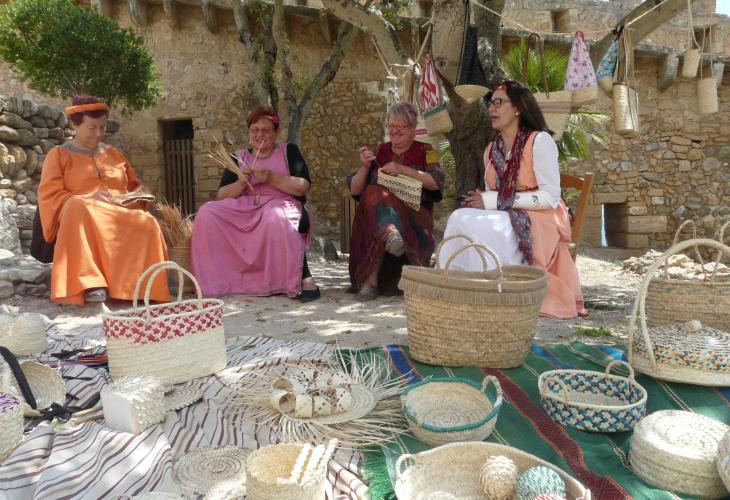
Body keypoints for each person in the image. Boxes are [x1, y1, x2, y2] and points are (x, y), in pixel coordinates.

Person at [438, 81, 586, 319]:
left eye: (499, 103)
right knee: (460, 217)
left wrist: (495, 201)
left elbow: (550, 197)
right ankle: (457, 287)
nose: (491, 109)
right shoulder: (491, 150)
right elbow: (493, 195)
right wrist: (483, 202)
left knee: (491, 227)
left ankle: (497, 291)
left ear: (517, 107)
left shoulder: (539, 141)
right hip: (504, 212)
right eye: (490, 103)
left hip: (541, 216)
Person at [37, 95, 170, 305]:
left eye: (103, 127)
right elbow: (49, 195)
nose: (99, 133)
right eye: (92, 128)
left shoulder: (113, 154)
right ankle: (90, 284)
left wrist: (141, 192)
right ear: (75, 125)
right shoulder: (58, 155)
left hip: (118, 211)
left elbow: (132, 186)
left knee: (147, 221)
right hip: (83, 212)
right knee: (78, 205)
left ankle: (144, 287)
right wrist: (87, 197)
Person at [191, 106, 320, 301]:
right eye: (254, 130)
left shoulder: (289, 151)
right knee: (207, 212)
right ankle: (218, 281)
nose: (259, 135)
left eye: (265, 130)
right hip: (244, 208)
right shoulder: (238, 157)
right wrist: (241, 183)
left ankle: (299, 277)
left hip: (280, 203)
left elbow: (303, 187)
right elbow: (222, 195)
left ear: (276, 132)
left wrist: (272, 178)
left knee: (275, 217)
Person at [347, 102, 445, 301]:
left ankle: (371, 282)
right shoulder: (380, 150)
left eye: (401, 126)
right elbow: (355, 189)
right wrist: (365, 167)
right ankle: (388, 238)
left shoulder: (427, 150)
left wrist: (402, 170)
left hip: (415, 219)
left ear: (413, 129)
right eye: (392, 125)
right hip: (380, 218)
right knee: (373, 194)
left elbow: (436, 182)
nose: (395, 130)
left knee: (377, 196)